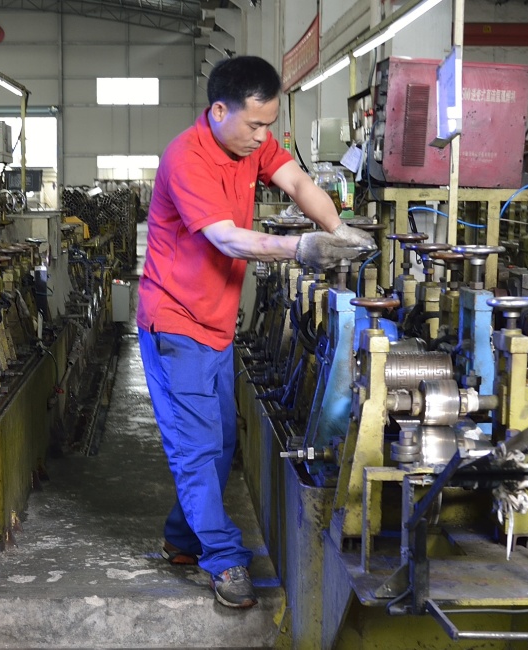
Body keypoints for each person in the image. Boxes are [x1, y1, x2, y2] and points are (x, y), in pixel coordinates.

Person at [140, 55, 374, 609]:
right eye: (255, 124)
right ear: (219, 111)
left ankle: (181, 538)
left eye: (269, 124)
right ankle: (222, 558)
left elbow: (297, 182)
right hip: (177, 324)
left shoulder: (251, 144)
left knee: (221, 443)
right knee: (198, 450)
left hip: (217, 324)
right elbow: (227, 239)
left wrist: (338, 229)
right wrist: (303, 247)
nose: (263, 136)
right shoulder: (187, 158)